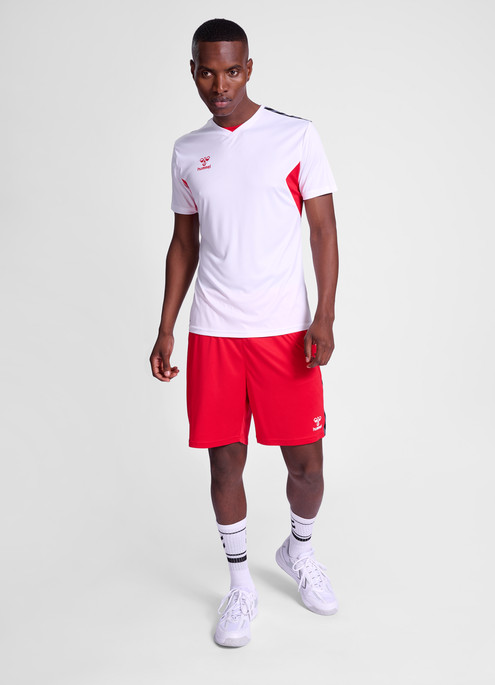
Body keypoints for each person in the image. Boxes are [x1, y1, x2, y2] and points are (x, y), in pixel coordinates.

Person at [150, 18, 339, 648]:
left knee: (306, 466)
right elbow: (183, 244)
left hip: (285, 333)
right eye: (207, 72)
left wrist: (325, 315)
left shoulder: (295, 136)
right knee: (225, 464)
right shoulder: (187, 151)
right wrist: (166, 327)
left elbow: (323, 230)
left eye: (232, 71)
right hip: (215, 333)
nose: (220, 85)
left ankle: (298, 551)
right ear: (194, 72)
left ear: (249, 68)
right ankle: (239, 586)